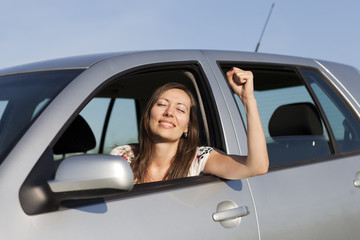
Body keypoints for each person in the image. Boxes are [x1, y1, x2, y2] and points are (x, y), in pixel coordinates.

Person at [110, 67, 269, 183]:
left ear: (187, 126)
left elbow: (257, 166)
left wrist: (248, 100)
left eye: (180, 109)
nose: (169, 112)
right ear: (147, 116)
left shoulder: (198, 159)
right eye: (162, 104)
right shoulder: (123, 156)